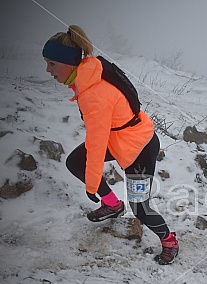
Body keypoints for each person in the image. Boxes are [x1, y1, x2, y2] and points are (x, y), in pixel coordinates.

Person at [42, 25, 178, 264]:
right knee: (76, 161)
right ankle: (113, 205)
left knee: (140, 209)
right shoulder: (88, 73)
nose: (48, 70)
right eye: (46, 63)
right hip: (120, 138)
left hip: (139, 148)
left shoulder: (93, 93)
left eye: (52, 64)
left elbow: (95, 142)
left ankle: (169, 241)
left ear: (70, 63)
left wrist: (92, 184)